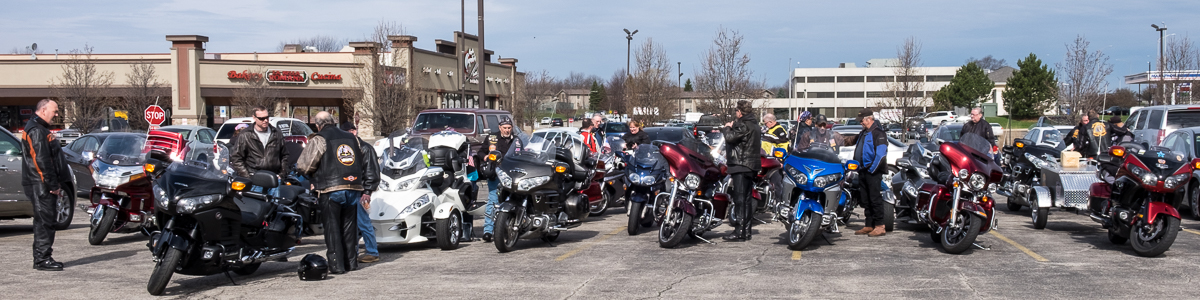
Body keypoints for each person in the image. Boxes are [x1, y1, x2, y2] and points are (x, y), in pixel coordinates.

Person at [297, 111, 366, 274]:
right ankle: (351, 262)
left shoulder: (320, 138)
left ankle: (337, 266)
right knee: (350, 228)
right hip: (353, 187)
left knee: (332, 227)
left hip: (331, 188)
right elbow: (361, 159)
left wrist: (311, 174)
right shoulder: (352, 138)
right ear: (333, 121)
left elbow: (305, 165)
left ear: (318, 124)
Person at [22, 99, 68, 271]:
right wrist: (52, 184)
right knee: (45, 221)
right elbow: (41, 160)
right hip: (41, 184)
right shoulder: (36, 130)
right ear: (43, 110)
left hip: (41, 183)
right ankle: (42, 259)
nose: (56, 115)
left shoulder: (40, 129)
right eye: (54, 111)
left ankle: (42, 257)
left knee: (44, 220)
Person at [720, 100, 762, 241]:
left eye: (736, 111)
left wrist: (727, 128)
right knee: (746, 200)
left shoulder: (742, 124)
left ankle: (739, 231)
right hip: (751, 165)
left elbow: (730, 138)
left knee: (739, 199)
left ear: (739, 112)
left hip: (741, 165)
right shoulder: (755, 124)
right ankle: (746, 231)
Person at [341, 122, 381, 264]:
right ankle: (355, 251)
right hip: (352, 190)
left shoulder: (365, 148)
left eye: (350, 131)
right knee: (353, 223)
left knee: (363, 222)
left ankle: (372, 251)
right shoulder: (350, 148)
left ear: (354, 131)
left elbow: (372, 172)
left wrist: (367, 191)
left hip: (361, 191)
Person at [230, 106, 290, 195]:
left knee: (275, 206)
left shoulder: (276, 133)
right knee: (255, 207)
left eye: (267, 117)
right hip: (254, 179)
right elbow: (236, 158)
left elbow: (284, 155)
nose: (265, 120)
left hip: (274, 178)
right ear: (254, 118)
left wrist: (282, 174)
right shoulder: (245, 135)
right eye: (262, 118)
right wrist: (247, 177)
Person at [474, 119, 516, 243]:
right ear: (500, 127)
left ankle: (508, 227)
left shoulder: (517, 140)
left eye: (509, 128)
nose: (507, 130)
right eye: (505, 128)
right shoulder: (492, 138)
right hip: (496, 173)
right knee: (493, 200)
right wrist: (486, 156)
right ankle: (488, 230)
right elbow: (481, 152)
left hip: (513, 174)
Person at [853, 108, 889, 237]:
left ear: (869, 119)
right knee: (865, 199)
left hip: (872, 172)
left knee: (875, 199)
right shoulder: (864, 132)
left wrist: (872, 170)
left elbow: (880, 155)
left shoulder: (878, 133)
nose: (860, 123)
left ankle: (880, 226)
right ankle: (869, 224)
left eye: (862, 120)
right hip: (862, 170)